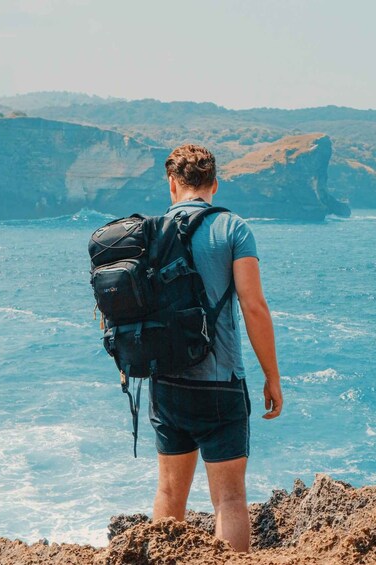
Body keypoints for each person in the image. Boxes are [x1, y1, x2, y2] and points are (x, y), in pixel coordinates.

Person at [149, 144, 283, 553]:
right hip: (221, 384)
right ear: (215, 183)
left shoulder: (151, 232)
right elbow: (254, 307)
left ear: (172, 184)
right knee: (229, 499)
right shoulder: (233, 228)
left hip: (166, 382)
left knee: (170, 495)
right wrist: (272, 377)